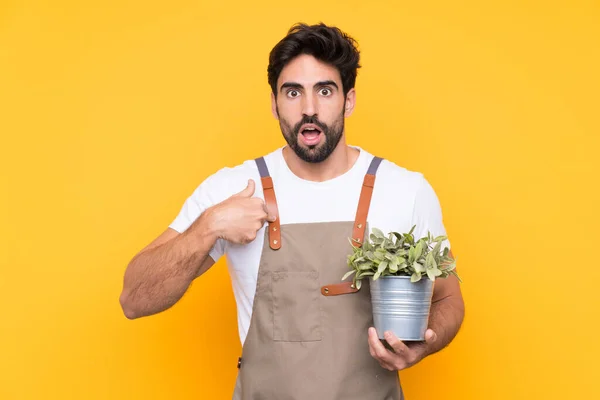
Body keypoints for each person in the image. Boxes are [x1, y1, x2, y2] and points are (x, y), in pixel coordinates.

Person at [119, 22, 465, 399]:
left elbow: (448, 299)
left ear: (348, 99)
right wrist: (209, 225)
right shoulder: (233, 188)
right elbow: (134, 299)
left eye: (325, 91)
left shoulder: (405, 189)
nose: (309, 109)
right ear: (274, 103)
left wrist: (423, 345)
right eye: (293, 92)